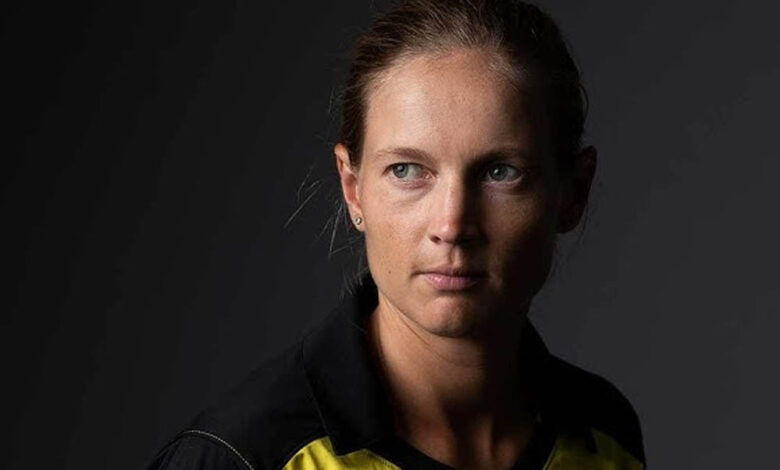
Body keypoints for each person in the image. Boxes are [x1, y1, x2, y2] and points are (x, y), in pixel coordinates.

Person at [147, 0, 645, 469]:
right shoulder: (245, 455)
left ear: (573, 192)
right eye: (407, 170)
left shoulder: (605, 434)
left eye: (500, 172)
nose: (451, 226)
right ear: (353, 189)